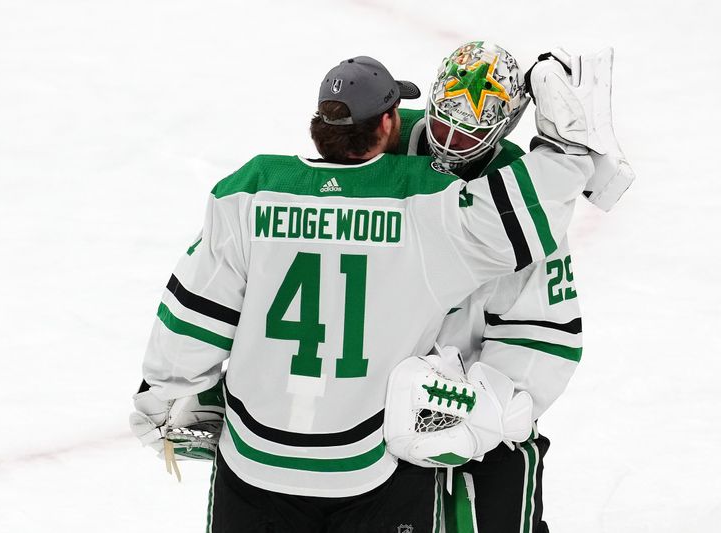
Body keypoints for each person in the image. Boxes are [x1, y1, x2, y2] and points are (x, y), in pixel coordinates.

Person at [130, 55, 600, 532]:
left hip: (254, 461)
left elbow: (193, 313)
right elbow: (532, 210)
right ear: (390, 124)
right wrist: (566, 146)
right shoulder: (426, 202)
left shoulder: (249, 192)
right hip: (366, 466)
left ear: (317, 125)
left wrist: (162, 396)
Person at [391, 42, 632, 533]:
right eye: (442, 123)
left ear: (503, 127)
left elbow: (546, 323)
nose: (449, 144)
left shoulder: (527, 197)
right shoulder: (385, 146)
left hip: (466, 402)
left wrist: (486, 406)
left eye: (469, 135)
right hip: (375, 398)